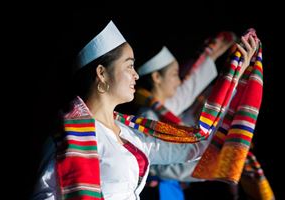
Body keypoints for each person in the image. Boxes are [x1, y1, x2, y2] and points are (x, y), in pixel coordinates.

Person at [31, 20, 259, 200]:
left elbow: (197, 145)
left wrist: (235, 76)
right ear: (102, 73)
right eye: (129, 65)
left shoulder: (130, 132)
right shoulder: (69, 137)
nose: (136, 75)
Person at [134, 32, 236, 200]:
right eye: (174, 74)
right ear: (157, 77)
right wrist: (212, 165)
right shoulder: (148, 114)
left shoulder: (164, 110)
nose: (179, 81)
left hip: (172, 189)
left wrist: (214, 57)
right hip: (157, 191)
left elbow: (186, 92)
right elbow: (160, 167)